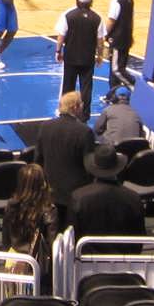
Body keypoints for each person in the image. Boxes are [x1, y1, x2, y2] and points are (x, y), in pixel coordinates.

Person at [38, 91, 94, 227]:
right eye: (81, 105)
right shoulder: (84, 131)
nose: (82, 108)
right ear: (75, 107)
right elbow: (90, 166)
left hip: (50, 192)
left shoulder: (45, 127)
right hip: (76, 195)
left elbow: (38, 160)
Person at [69, 145, 145, 238]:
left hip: (86, 251)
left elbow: (73, 235)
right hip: (126, 252)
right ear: (118, 168)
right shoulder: (133, 198)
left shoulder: (78, 197)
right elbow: (140, 236)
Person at [1, 162, 57, 281]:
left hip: (13, 261)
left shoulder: (11, 205)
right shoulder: (48, 210)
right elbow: (52, 244)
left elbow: (5, 240)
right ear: (43, 183)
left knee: (15, 298)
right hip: (37, 265)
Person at [53, 0, 104, 113]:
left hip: (70, 58)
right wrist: (100, 56)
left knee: (68, 86)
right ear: (91, 1)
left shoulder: (68, 15)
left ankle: (64, 112)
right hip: (87, 59)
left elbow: (61, 37)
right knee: (86, 88)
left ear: (77, 0)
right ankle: (85, 115)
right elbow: (100, 41)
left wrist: (58, 51)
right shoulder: (97, 18)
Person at [104, 0, 137, 86]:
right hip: (126, 38)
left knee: (116, 69)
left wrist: (104, 35)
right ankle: (114, 94)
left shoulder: (117, 0)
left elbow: (111, 20)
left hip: (117, 40)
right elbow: (131, 19)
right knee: (118, 66)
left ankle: (135, 86)